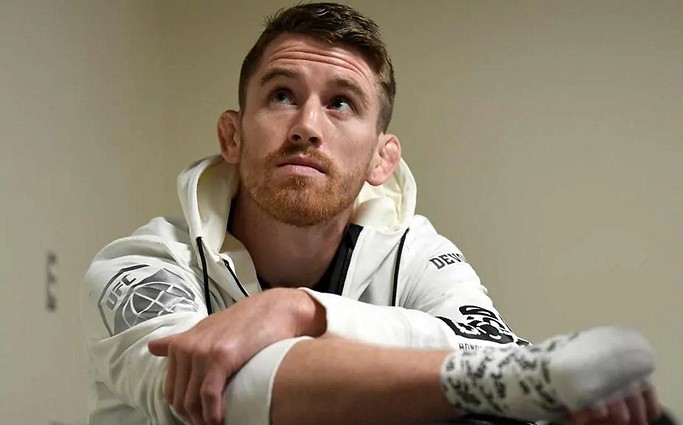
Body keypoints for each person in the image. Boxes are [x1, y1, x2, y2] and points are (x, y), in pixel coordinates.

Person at [80, 3, 660, 425]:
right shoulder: (143, 263)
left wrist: (300, 311)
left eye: (341, 103)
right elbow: (209, 397)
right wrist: (506, 383)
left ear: (383, 159)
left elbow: (492, 350)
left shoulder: (415, 251)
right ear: (232, 135)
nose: (307, 126)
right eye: (281, 95)